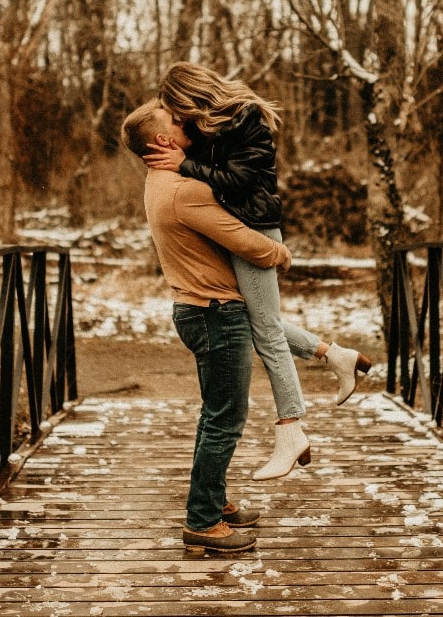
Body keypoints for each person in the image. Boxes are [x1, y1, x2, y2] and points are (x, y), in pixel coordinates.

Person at [144, 61, 372, 481]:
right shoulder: (205, 129)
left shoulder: (245, 119)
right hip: (230, 227)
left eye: (177, 111)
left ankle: (292, 430)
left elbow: (241, 180)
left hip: (255, 226)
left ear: (192, 96)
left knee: (264, 330)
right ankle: (335, 355)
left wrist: (186, 165)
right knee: (250, 319)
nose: (178, 121)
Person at [120, 98, 294, 554]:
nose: (185, 122)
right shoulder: (183, 189)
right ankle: (202, 522)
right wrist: (281, 253)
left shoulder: (161, 182)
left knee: (214, 415)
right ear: (163, 140)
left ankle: (212, 502)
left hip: (198, 309)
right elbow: (246, 243)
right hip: (217, 313)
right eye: (175, 120)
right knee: (225, 420)